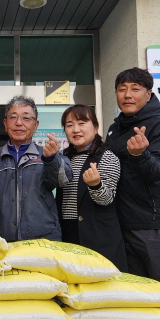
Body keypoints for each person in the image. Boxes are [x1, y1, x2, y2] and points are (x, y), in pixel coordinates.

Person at [105, 67, 160, 319]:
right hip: (123, 225)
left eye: (135, 89)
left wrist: (140, 155)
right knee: (134, 298)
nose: (127, 95)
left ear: (148, 94)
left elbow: (159, 172)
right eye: (122, 89)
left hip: (155, 226)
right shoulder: (116, 127)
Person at [0, 95, 71, 242]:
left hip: (43, 240)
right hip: (1, 240)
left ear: (36, 125)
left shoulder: (47, 154)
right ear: (5, 124)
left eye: (26, 118)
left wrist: (51, 159)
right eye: (13, 117)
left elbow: (62, 180)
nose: (19, 123)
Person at [56, 104, 128, 271]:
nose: (76, 130)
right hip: (68, 232)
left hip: (97, 236)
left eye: (82, 123)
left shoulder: (107, 156)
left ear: (95, 128)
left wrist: (96, 185)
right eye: (69, 125)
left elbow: (107, 199)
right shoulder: (64, 158)